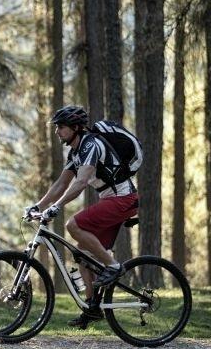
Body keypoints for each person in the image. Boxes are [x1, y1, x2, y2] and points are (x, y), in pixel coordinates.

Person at [26, 105, 139, 329]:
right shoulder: (75, 152)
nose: (57, 131)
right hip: (111, 200)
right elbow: (61, 184)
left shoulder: (91, 145)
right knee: (83, 255)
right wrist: (38, 206)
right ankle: (92, 308)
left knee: (73, 224)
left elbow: (81, 182)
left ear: (76, 127)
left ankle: (113, 266)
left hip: (123, 199)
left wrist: (57, 207)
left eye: (61, 126)